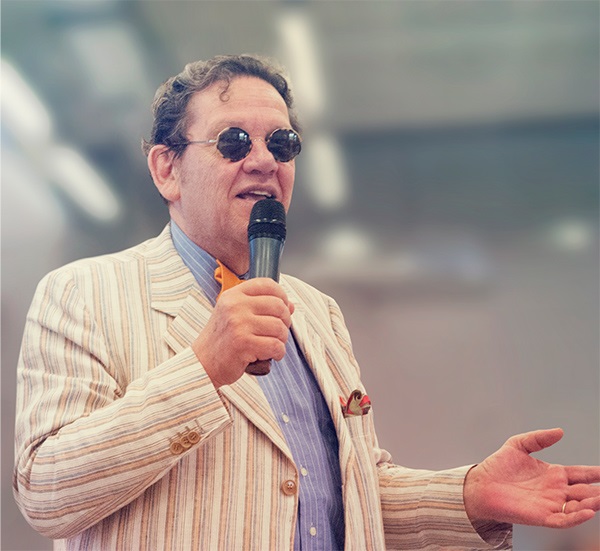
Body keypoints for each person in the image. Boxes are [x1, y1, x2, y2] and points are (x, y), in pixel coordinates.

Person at [14, 54, 599, 551]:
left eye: (283, 143)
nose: (264, 160)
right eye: (233, 141)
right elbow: (46, 492)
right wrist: (202, 370)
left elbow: (350, 494)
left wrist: (470, 494)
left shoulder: (317, 313)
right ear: (167, 169)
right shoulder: (83, 293)